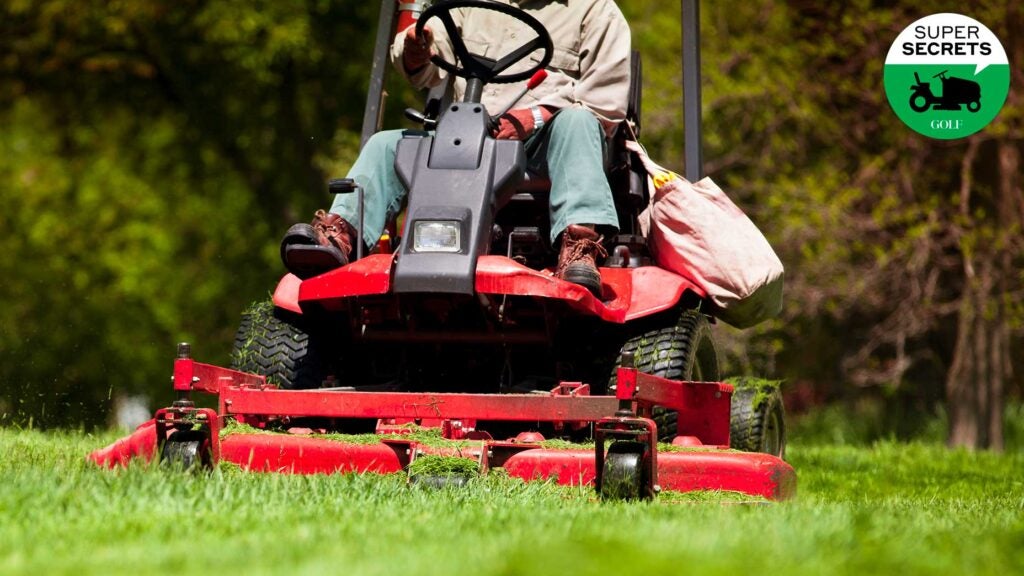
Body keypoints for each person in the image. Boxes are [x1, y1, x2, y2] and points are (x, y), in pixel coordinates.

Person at [282, 0, 631, 296]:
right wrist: (418, 50)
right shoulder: (469, 5)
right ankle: (340, 236)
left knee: (578, 122)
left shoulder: (596, 10)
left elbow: (605, 104)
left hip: (546, 145)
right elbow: (426, 67)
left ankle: (580, 247)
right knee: (387, 144)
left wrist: (536, 117)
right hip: (467, 136)